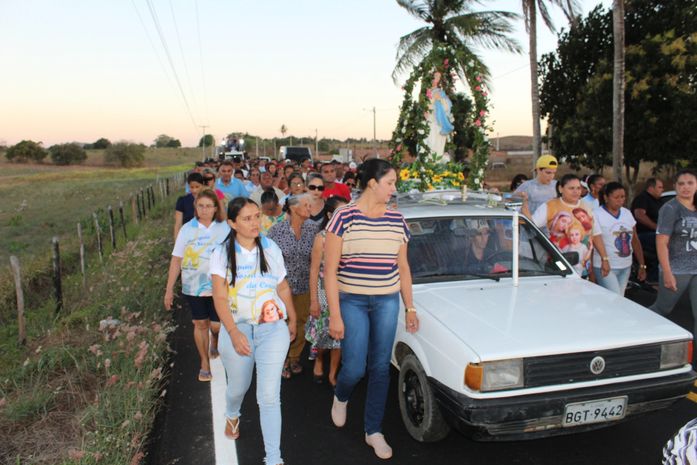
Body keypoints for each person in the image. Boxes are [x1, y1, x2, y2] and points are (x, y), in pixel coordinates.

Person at [324, 158, 418, 459]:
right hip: (351, 300)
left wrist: (410, 307)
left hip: (387, 301)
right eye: (390, 182)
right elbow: (330, 271)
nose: (393, 188)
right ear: (373, 183)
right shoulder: (344, 217)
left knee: (379, 367)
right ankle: (341, 395)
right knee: (354, 367)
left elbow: (403, 268)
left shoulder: (397, 220)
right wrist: (334, 315)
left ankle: (373, 431)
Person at [210, 197, 297, 465]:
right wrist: (233, 332)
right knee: (238, 386)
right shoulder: (221, 254)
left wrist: (292, 318)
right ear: (232, 223)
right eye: (247, 219)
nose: (255, 222)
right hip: (237, 328)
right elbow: (220, 298)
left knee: (269, 396)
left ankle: (273, 458)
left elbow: (282, 286)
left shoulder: (270, 248)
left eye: (257, 216)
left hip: (272, 327)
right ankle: (232, 413)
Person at [165, 189, 230, 381]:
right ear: (195, 207)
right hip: (194, 286)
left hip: (220, 286)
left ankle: (215, 338)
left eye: (209, 206)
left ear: (216, 208)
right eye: (201, 206)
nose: (204, 210)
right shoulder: (187, 229)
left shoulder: (225, 228)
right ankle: (204, 363)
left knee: (217, 326)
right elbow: (176, 259)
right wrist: (169, 289)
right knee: (200, 323)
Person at [267, 194, 320, 379]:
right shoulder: (276, 231)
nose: (309, 208)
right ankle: (281, 359)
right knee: (283, 322)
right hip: (283, 287)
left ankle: (294, 356)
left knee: (302, 321)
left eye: (310, 205)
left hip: (305, 284)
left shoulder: (313, 228)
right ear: (293, 207)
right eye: (306, 205)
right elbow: (268, 260)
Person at [649, 169, 697, 362]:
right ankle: (635, 334)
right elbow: (661, 243)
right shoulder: (670, 208)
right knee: (663, 309)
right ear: (675, 186)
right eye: (681, 184)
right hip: (676, 269)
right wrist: (667, 272)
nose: (686, 187)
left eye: (690, 183)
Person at [306, 196, 349, 386]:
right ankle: (319, 359)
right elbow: (314, 270)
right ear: (330, 215)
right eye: (341, 212)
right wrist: (314, 300)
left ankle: (333, 373)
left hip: (346, 292)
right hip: (323, 291)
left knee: (340, 337)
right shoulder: (321, 238)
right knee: (323, 333)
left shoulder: (352, 236)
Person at [522, 173, 595, 276]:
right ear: (561, 189)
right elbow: (532, 225)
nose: (576, 191)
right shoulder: (550, 206)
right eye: (571, 188)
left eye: (578, 188)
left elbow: (593, 235)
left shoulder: (587, 206)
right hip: (558, 267)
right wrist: (525, 207)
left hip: (583, 267)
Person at [591, 182, 647, 295]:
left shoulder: (627, 213)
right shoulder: (596, 214)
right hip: (606, 266)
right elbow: (594, 242)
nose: (620, 200)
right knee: (614, 298)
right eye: (616, 197)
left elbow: (635, 240)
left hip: (626, 265)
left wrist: (642, 264)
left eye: (623, 197)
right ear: (606, 197)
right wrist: (594, 268)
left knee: (620, 298)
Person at [631, 177, 665, 282]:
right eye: (660, 187)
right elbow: (639, 215)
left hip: (655, 233)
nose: (662, 189)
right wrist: (657, 228)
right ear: (651, 188)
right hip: (643, 234)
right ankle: (653, 279)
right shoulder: (643, 198)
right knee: (663, 244)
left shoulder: (658, 201)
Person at [425, 71, 454, 161]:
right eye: (435, 76)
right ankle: (430, 162)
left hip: (438, 121)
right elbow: (424, 106)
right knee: (429, 141)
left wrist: (440, 99)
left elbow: (448, 106)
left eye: (439, 77)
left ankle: (436, 162)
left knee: (438, 145)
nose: (437, 79)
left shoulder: (440, 92)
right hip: (429, 120)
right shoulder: (425, 93)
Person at [174, 172, 204, 241]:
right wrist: (177, 242)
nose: (194, 190)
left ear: (202, 185)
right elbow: (178, 224)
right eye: (191, 187)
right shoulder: (182, 201)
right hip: (187, 238)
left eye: (197, 187)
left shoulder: (208, 201)